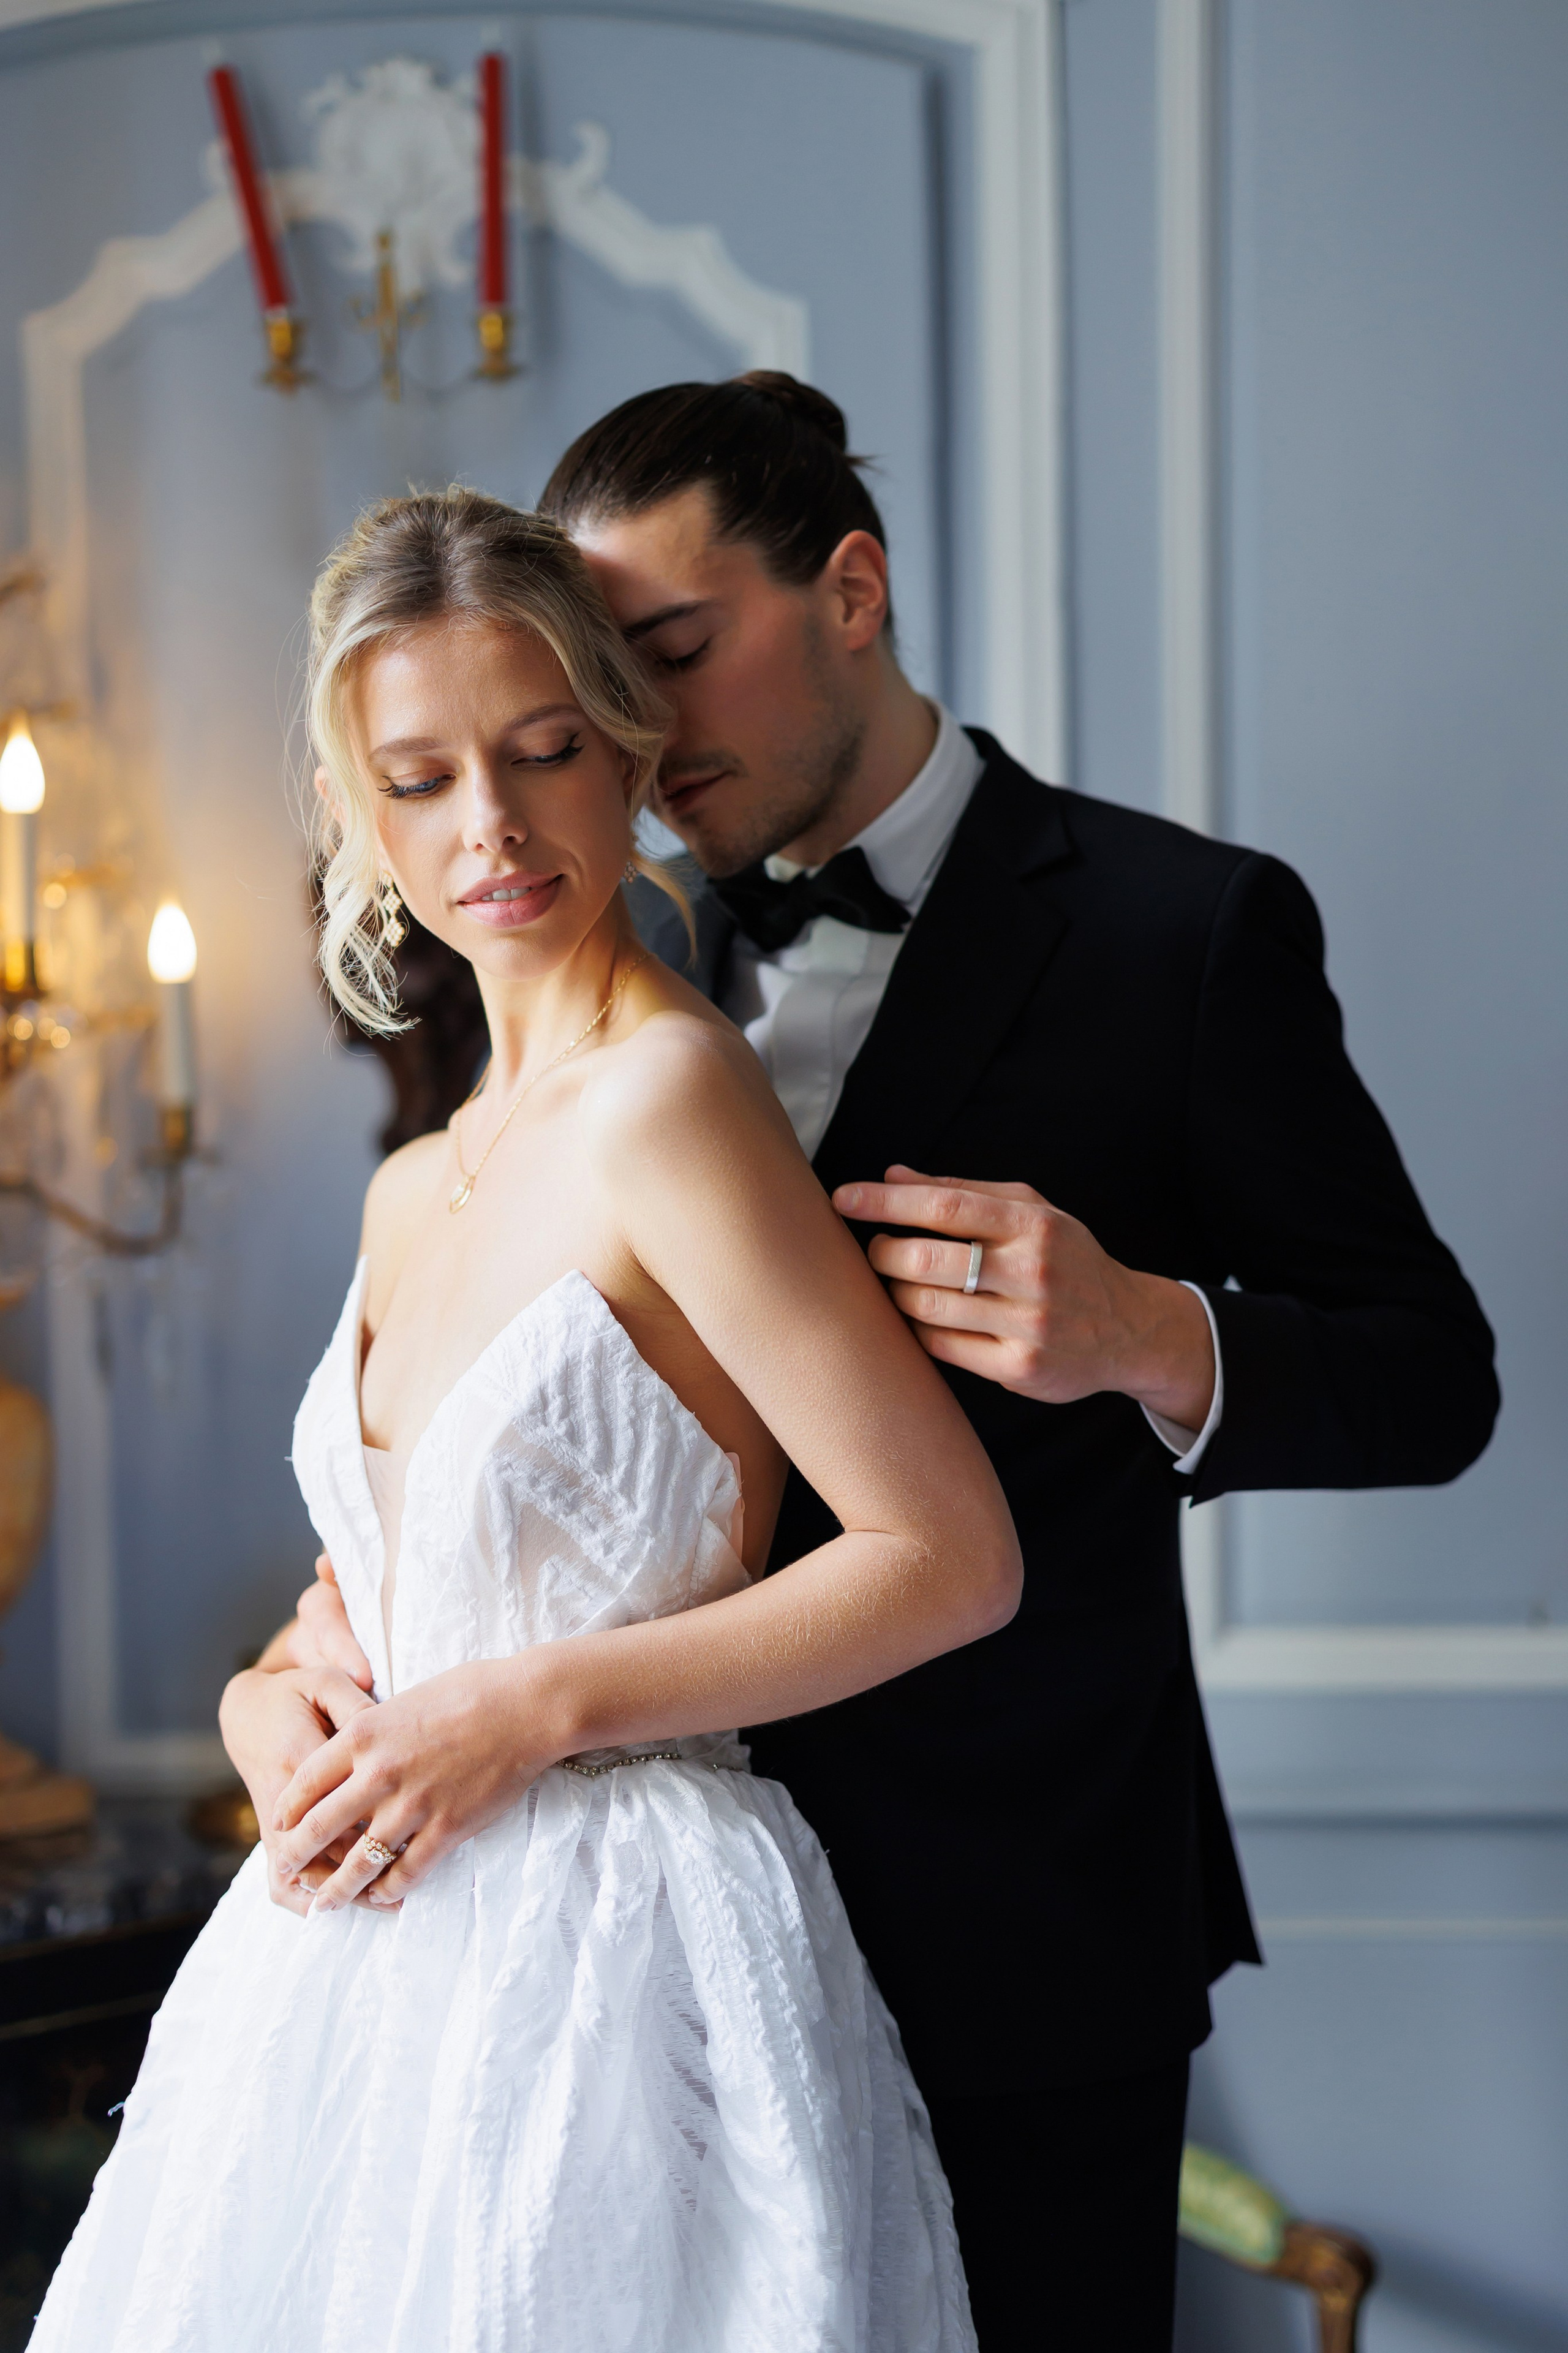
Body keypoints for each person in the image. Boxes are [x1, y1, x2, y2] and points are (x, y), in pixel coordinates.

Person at [258, 376, 1499, 2351]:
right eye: (603, 683)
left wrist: (1148, 1335)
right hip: (629, 1956)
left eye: (665, 654)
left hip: (1022, 1920)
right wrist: (304, 1666)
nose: (638, 734)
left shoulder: (1180, 934)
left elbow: (1439, 1376)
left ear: (851, 589)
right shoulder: (572, 932)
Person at [30, 491, 1025, 2353]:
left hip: (623, 1961)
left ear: (624, 752)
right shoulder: (416, 1182)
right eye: (419, 779)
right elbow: (396, 1585)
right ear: (354, 817)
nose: (489, 825)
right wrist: (266, 1700)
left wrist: (529, 1708)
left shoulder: (670, 1099)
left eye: (542, 750)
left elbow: (951, 1557)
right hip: (351, 1978)